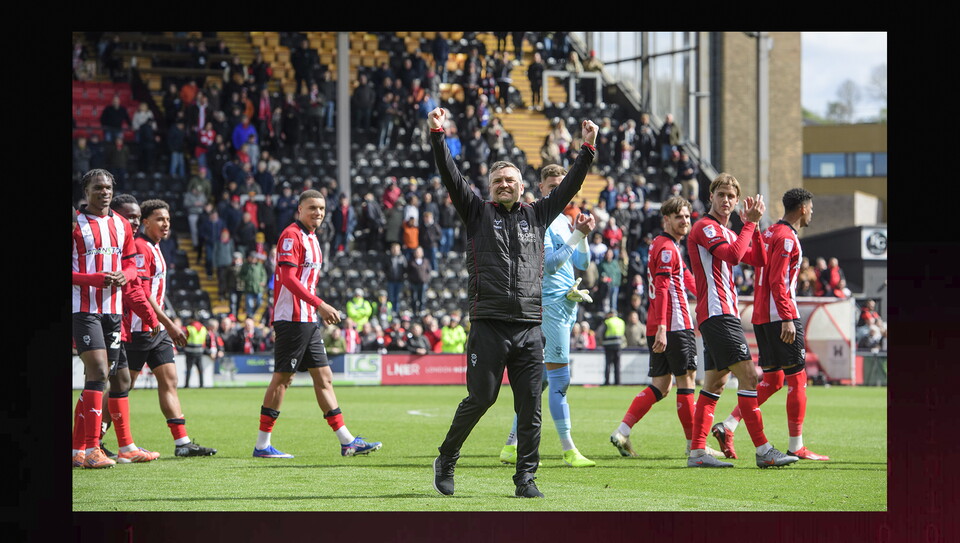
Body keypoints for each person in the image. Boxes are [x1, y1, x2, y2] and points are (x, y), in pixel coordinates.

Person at [428, 106, 597, 499]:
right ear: (489, 188)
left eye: (510, 180)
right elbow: (450, 174)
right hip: (488, 323)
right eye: (498, 181)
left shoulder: (538, 215)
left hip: (528, 326)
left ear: (522, 187)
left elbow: (569, 187)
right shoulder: (475, 212)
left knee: (530, 406)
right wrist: (438, 135)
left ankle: (525, 479)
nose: (504, 185)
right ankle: (447, 457)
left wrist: (587, 149)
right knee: (481, 398)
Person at [252, 190, 381, 459]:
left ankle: (347, 442)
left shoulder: (312, 238)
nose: (318, 213)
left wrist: (315, 308)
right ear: (299, 209)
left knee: (324, 378)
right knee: (283, 379)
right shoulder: (291, 235)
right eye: (312, 208)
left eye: (321, 208)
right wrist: (320, 304)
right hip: (292, 319)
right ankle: (262, 445)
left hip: (308, 320)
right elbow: (288, 278)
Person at [685, 173, 797, 469]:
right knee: (750, 378)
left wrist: (754, 226)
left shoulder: (727, 231)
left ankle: (697, 452)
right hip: (718, 314)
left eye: (731, 196)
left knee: (715, 384)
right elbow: (734, 256)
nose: (726, 200)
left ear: (737, 201)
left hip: (721, 314)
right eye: (721, 194)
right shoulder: (705, 227)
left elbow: (759, 258)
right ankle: (764, 451)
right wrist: (748, 224)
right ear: (711, 197)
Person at [711, 188, 830, 462]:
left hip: (762, 316)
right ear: (802, 208)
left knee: (774, 380)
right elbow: (778, 280)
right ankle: (796, 446)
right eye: (811, 208)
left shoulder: (768, 233)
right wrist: (788, 317)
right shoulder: (787, 237)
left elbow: (754, 261)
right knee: (798, 379)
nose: (811, 213)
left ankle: (728, 425)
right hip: (780, 316)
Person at [498, 163, 598, 469]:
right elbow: (550, 265)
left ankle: (511, 446)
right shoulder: (538, 219)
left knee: (539, 381)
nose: (558, 191)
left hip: (566, 304)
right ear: (541, 188)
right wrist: (576, 235)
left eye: (562, 187)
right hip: (550, 306)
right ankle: (569, 449)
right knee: (560, 378)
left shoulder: (564, 221)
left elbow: (582, 262)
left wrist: (582, 235)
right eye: (552, 187)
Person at [609, 196, 724, 459]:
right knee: (687, 381)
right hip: (674, 325)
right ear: (666, 219)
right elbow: (662, 289)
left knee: (661, 385)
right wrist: (663, 326)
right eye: (678, 217)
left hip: (659, 325)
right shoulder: (668, 248)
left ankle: (622, 431)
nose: (684, 221)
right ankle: (694, 444)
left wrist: (708, 296)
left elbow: (685, 278)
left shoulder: (662, 245)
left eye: (687, 217)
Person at [121, 198, 217, 457]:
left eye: (168, 220)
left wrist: (165, 326)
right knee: (124, 385)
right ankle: (96, 438)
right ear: (145, 222)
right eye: (160, 219)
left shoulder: (156, 247)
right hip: (140, 328)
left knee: (170, 380)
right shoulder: (140, 247)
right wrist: (171, 325)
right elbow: (142, 292)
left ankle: (182, 443)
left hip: (157, 330)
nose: (166, 224)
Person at [72, 173, 146, 469]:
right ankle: (93, 449)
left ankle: (77, 449)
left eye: (108, 188)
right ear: (86, 191)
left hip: (113, 311)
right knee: (99, 373)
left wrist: (124, 276)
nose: (104, 192)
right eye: (98, 188)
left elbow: (131, 264)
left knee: (103, 378)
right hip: (84, 309)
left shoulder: (122, 224)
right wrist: (92, 279)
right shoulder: (76, 224)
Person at [599, 310, 625, 385]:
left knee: (608, 364)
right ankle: (617, 382)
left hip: (608, 345)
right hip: (618, 345)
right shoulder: (621, 322)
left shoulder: (607, 322)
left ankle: (607, 382)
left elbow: (602, 333)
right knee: (617, 365)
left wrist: (601, 342)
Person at [184, 316, 209, 388]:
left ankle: (187, 385)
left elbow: (186, 338)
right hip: (199, 351)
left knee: (189, 369)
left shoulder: (189, 328)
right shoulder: (203, 328)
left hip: (189, 351)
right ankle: (201, 384)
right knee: (200, 369)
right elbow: (205, 340)